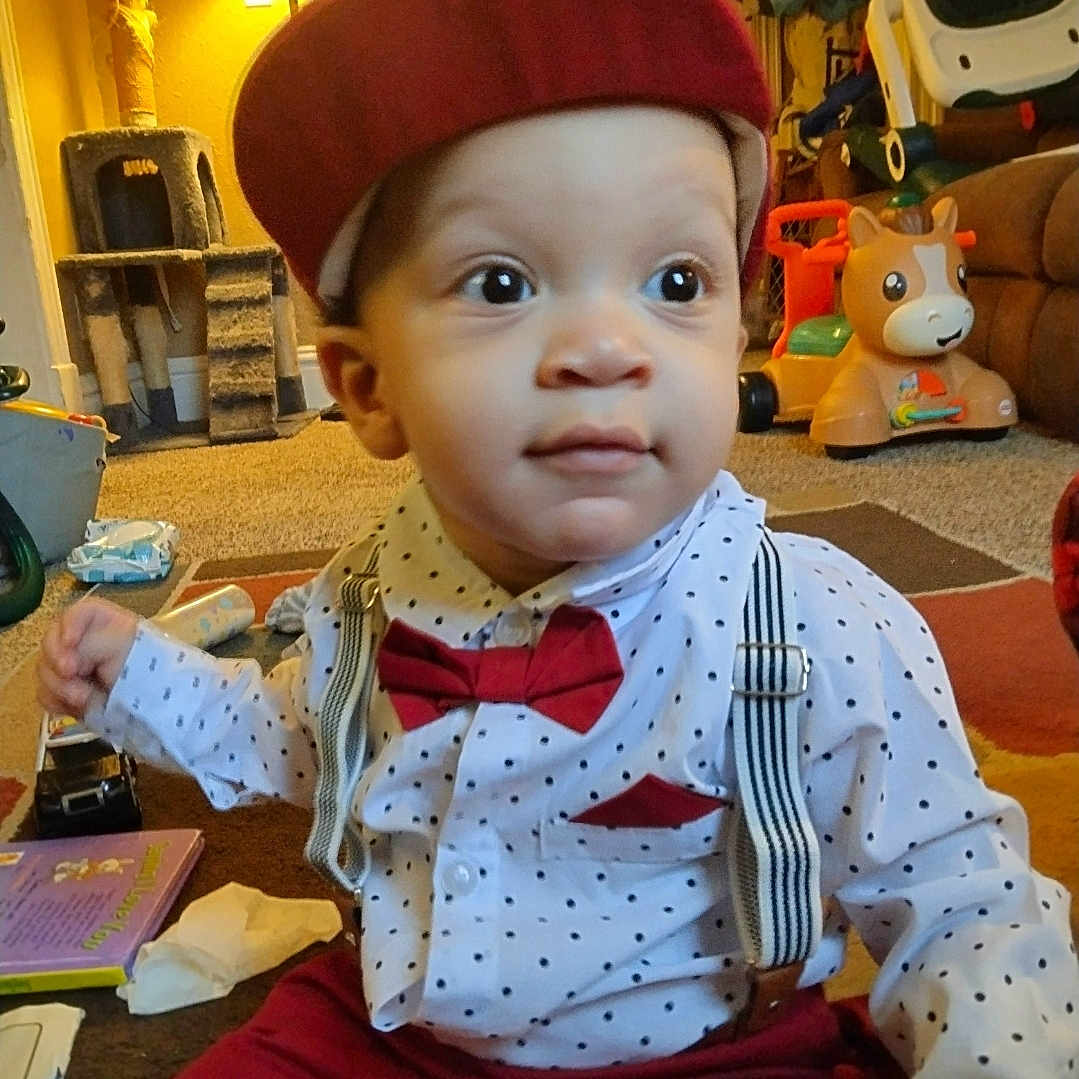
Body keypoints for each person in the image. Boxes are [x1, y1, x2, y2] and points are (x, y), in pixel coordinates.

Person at [36, 1, 1079, 1075]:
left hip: (710, 1046)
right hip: (401, 1029)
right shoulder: (364, 595)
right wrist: (144, 681)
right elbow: (304, 738)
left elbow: (960, 902)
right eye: (502, 283)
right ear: (365, 387)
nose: (602, 347)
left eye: (674, 282)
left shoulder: (810, 622)